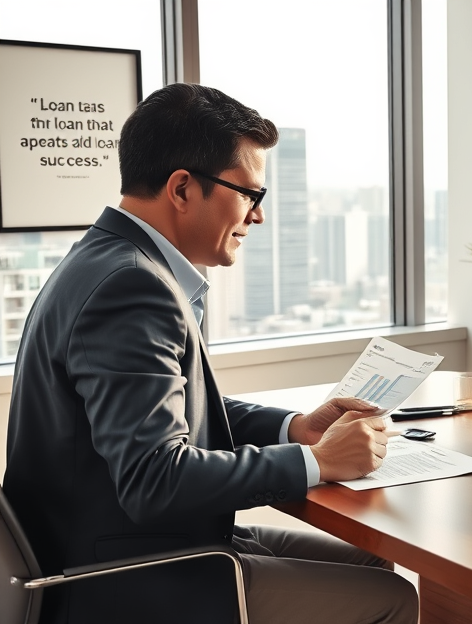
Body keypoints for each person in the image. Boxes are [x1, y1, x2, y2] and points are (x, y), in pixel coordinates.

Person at [4, 83, 418, 624]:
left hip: (130, 546)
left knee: (372, 562)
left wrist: (297, 429)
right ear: (182, 189)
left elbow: (178, 410)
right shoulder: (131, 287)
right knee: (395, 599)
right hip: (127, 576)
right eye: (249, 194)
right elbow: (154, 479)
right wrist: (319, 461)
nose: (258, 216)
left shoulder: (109, 260)